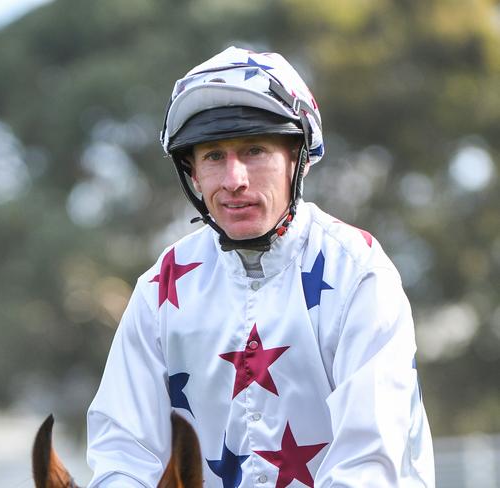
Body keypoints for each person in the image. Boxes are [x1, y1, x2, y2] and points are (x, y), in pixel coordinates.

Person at [86, 46, 435, 487]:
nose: (234, 180)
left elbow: (369, 461)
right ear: (192, 172)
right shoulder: (161, 287)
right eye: (213, 156)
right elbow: (123, 450)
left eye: (254, 150)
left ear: (298, 158)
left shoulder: (359, 271)